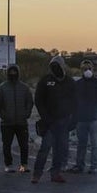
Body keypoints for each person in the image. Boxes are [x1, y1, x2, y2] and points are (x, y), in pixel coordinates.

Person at [32, 55, 75, 183]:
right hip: (49, 122)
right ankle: (37, 174)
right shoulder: (45, 81)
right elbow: (38, 100)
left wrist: (73, 120)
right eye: (53, 66)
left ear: (62, 66)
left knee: (60, 149)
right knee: (45, 148)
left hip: (64, 121)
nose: (55, 68)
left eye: (57, 66)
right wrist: (45, 117)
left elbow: (75, 101)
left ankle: (55, 173)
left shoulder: (70, 82)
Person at [68, 59, 97, 174]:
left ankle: (94, 166)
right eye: (84, 69)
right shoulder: (77, 84)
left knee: (95, 144)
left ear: (93, 69)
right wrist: (74, 115)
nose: (87, 70)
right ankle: (79, 165)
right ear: (81, 70)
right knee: (81, 144)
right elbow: (72, 101)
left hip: (94, 120)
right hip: (81, 120)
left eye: (89, 68)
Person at [0, 64, 34, 173]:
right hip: (6, 123)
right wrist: (3, 115)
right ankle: (8, 164)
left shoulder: (24, 87)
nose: (13, 74)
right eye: (11, 72)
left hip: (21, 122)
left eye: (15, 72)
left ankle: (24, 165)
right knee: (7, 145)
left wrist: (26, 114)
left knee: (24, 145)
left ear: (18, 73)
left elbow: (29, 102)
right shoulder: (2, 87)